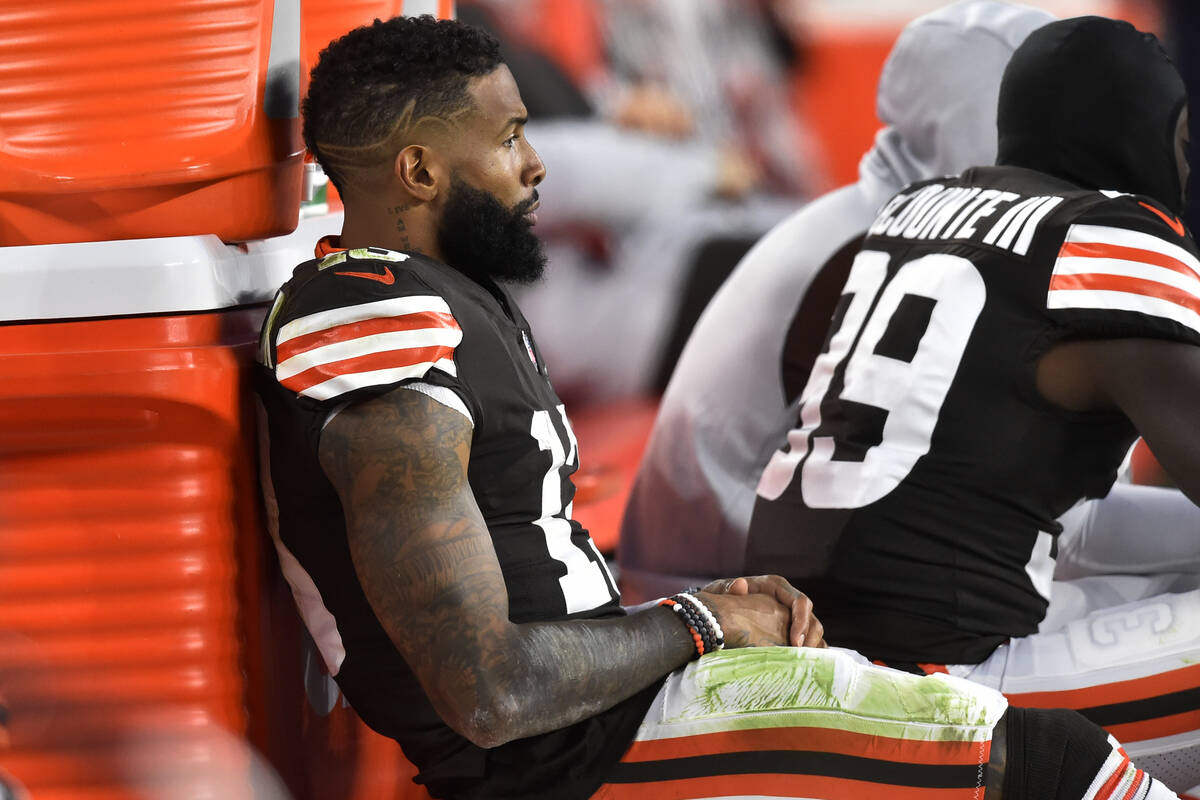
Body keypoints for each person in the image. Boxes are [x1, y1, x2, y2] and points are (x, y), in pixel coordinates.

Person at [255, 14, 1179, 800]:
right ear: (417, 173)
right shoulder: (375, 320)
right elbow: (490, 695)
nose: (537, 165)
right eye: (507, 140)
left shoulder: (444, 291)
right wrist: (697, 623)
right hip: (565, 761)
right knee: (1055, 762)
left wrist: (697, 621)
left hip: (604, 713)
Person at [743, 13, 1200, 793]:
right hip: (937, 697)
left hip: (806, 661)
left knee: (1162, 574)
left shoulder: (913, 210)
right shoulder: (1109, 241)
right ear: (1141, 132)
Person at [619, 0, 1056, 603]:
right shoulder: (887, 253)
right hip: (739, 610)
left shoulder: (894, 222)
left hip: (754, 574)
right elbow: (1010, 531)